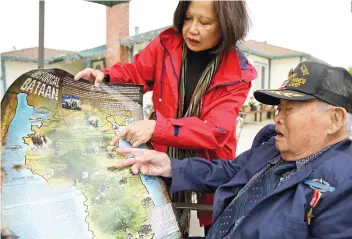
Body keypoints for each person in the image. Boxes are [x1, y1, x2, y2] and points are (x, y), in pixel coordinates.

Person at [74, 1, 257, 234]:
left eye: (205, 22)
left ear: (227, 25)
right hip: (160, 154)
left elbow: (214, 130)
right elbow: (137, 72)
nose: (192, 29)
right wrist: (105, 76)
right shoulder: (167, 45)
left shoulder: (238, 73)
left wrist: (156, 128)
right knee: (155, 222)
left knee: (212, 226)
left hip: (209, 165)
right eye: (188, 18)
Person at [114, 61, 352, 238]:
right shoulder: (272, 147)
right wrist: (169, 165)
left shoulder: (343, 186)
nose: (277, 118)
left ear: (334, 120)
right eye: (278, 108)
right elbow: (230, 171)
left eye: (289, 110)